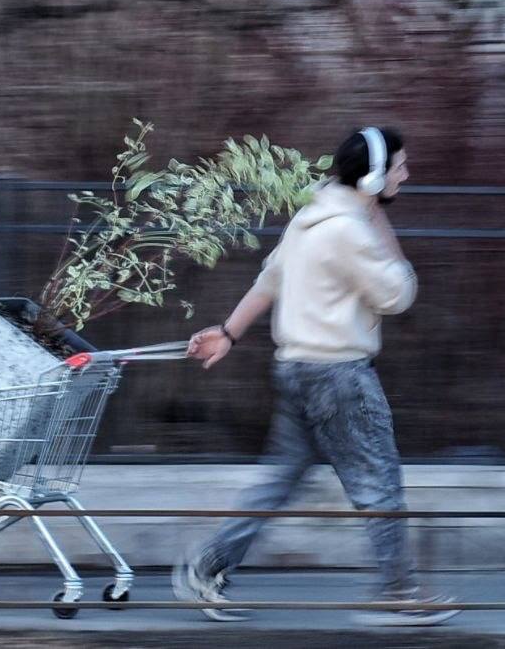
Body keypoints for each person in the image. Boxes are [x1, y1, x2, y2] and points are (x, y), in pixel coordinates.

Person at [172, 127, 460, 627]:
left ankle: (207, 567)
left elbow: (268, 282)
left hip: (295, 370)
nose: (406, 174)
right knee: (378, 483)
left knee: (280, 480)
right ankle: (398, 594)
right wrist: (381, 223)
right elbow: (398, 295)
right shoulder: (350, 230)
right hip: (340, 376)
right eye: (399, 167)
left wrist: (228, 332)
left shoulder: (309, 216)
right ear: (372, 178)